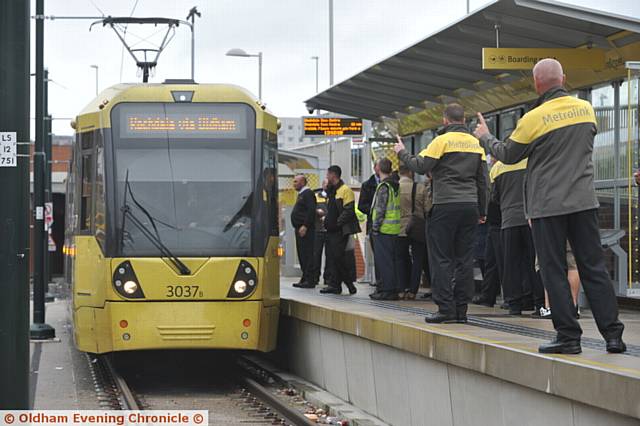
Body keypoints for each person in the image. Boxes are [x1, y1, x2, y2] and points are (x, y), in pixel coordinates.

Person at [474, 58, 625, 354]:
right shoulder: (585, 109)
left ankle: (569, 337)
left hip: (547, 206)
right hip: (583, 201)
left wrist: (485, 137)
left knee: (553, 270)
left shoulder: (534, 118)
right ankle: (613, 337)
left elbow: (508, 154)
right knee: (593, 267)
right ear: (563, 78)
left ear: (536, 84)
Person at [395, 103, 489, 323]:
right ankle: (461, 311)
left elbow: (420, 165)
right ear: (464, 120)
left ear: (445, 121)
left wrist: (402, 153)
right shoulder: (476, 144)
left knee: (442, 258)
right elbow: (484, 180)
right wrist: (482, 210)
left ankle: (446, 309)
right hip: (469, 206)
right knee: (464, 260)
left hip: (445, 205)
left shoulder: (441, 141)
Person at [489, 159, 543, 315]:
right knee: (535, 263)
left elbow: (494, 197)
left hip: (509, 220)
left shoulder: (497, 167)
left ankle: (514, 304)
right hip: (532, 220)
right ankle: (539, 303)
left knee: (511, 264)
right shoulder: (531, 161)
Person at [321, 165, 361, 295]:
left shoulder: (345, 190)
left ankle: (349, 284)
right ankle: (334, 285)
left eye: (328, 175)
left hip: (340, 230)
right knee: (331, 257)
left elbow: (348, 211)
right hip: (331, 231)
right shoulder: (333, 191)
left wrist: (336, 224)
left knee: (338, 258)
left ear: (333, 175)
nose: (326, 177)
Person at [369, 158, 401, 300]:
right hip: (394, 229)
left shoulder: (384, 186)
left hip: (383, 229)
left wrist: (375, 227)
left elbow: (380, 209)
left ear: (378, 169)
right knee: (391, 261)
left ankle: (387, 290)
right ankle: (390, 289)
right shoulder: (395, 184)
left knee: (384, 262)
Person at [473, 165, 504, 307]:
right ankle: (490, 295)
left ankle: (493, 296)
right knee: (491, 260)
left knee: (493, 260)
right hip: (497, 220)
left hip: (495, 221)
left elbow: (491, 195)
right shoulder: (495, 168)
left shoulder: (497, 169)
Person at [396, 164, 428, 300]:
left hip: (400, 228)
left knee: (400, 259)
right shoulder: (420, 188)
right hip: (418, 228)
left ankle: (402, 289)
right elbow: (428, 208)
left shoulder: (395, 188)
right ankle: (413, 291)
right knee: (418, 260)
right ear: (410, 172)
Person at [358, 160, 382, 287]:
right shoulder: (367, 185)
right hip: (373, 224)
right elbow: (362, 205)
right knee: (376, 254)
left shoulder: (392, 183)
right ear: (375, 168)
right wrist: (373, 210)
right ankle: (378, 280)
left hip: (390, 226)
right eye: (379, 166)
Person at [291, 174, 317, 288]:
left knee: (307, 254)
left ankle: (310, 280)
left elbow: (311, 210)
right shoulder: (301, 194)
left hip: (305, 230)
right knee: (302, 254)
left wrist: (305, 226)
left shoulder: (308, 193)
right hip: (299, 229)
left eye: (296, 181)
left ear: (302, 182)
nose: (294, 184)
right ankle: (304, 277)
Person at [310, 180, 333, 286]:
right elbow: (311, 208)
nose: (327, 186)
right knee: (316, 254)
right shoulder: (315, 196)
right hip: (318, 230)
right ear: (322, 185)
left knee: (330, 256)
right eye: (325, 184)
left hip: (330, 230)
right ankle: (315, 277)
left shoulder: (334, 195)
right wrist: (317, 212)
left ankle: (327, 278)